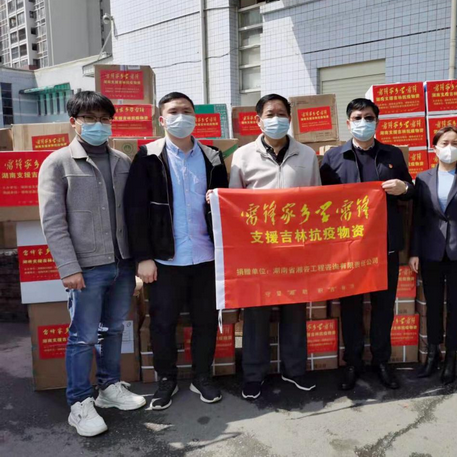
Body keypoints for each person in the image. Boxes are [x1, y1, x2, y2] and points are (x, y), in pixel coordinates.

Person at [38, 91, 146, 437]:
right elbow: (52, 221)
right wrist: (68, 267)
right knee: (83, 337)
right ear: (74, 122)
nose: (98, 125)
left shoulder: (122, 161)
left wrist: (137, 259)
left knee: (113, 330)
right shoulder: (58, 163)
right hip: (86, 268)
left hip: (122, 263)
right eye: (90, 119)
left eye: (104, 119)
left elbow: (133, 213)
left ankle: (109, 388)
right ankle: (79, 402)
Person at [124, 92, 228, 410]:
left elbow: (227, 203)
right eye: (173, 111)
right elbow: (135, 210)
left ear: (195, 117)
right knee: (163, 323)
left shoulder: (212, 156)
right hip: (165, 258)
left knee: (206, 321)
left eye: (186, 111)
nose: (180, 116)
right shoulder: (148, 156)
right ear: (162, 119)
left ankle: (202, 376)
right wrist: (143, 257)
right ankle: (166, 379)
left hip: (207, 256)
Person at [227, 93, 321, 400]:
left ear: (290, 119)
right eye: (270, 114)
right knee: (256, 314)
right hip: (257, 250)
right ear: (258, 120)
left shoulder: (306, 155)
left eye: (281, 114)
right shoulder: (243, 155)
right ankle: (254, 375)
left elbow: (317, 200)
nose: (276, 119)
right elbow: (233, 202)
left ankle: (295, 370)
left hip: (296, 249)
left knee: (295, 311)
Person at [320, 98, 414, 391]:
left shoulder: (392, 155)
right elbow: (320, 202)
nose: (364, 122)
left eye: (369, 117)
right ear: (348, 123)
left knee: (383, 308)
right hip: (349, 249)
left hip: (384, 245)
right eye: (358, 117)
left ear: (377, 121)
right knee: (350, 308)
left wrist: (403, 188)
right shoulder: (333, 157)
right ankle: (353, 362)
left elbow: (411, 190)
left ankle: (382, 361)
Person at [408, 125, 457, 384]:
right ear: (435, 147)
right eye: (444, 143)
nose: (449, 148)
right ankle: (433, 355)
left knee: (456, 307)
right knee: (433, 306)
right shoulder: (423, 178)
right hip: (430, 252)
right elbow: (418, 218)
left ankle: (451, 357)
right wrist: (414, 251)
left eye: (455, 143)